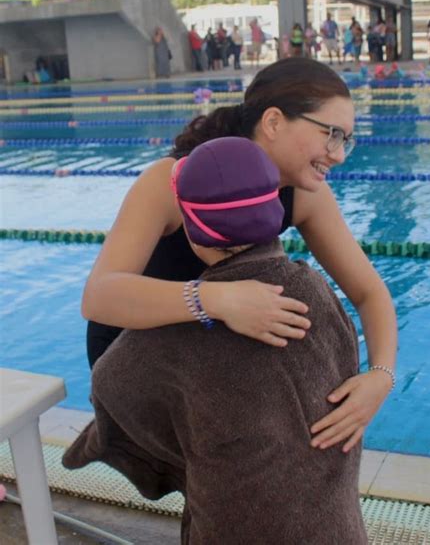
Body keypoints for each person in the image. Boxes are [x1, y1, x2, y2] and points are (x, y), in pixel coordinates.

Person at [84, 60, 397, 491]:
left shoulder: (303, 194)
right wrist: (216, 300)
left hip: (212, 355)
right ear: (273, 121)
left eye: (347, 139)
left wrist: (380, 376)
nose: (339, 154)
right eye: (332, 133)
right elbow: (99, 297)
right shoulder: (171, 181)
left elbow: (369, 292)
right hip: (136, 361)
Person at [64, 135, 373, 544]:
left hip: (231, 527)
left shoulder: (177, 333)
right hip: (338, 529)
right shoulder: (317, 292)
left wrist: (187, 451)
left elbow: (110, 386)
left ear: (192, 230)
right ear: (275, 209)